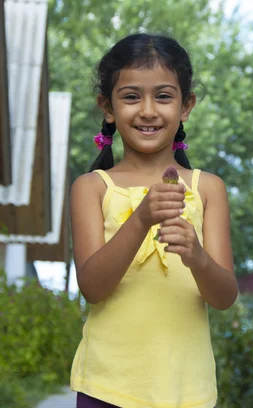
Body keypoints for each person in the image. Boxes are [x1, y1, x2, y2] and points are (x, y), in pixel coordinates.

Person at [70, 33, 238, 408]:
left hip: (187, 391)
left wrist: (197, 257)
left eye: (163, 96)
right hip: (106, 387)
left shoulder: (207, 189)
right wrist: (142, 216)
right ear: (107, 107)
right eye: (131, 96)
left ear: (186, 106)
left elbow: (224, 297)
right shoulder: (92, 188)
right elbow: (93, 288)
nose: (147, 110)